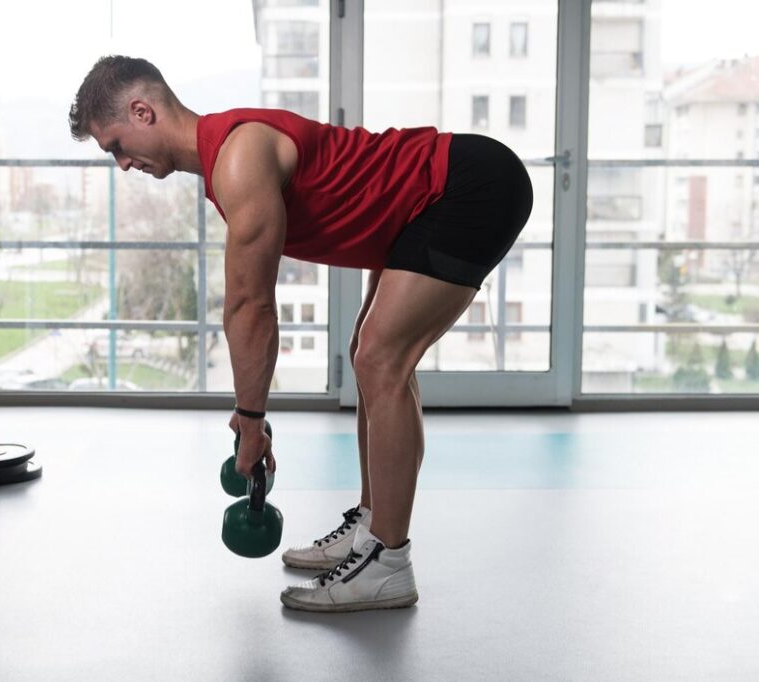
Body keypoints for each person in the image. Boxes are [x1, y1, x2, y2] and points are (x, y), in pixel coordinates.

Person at [69, 55, 533, 613]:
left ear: (142, 111)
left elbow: (251, 305)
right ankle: (372, 528)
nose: (122, 164)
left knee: (381, 360)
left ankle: (387, 562)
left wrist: (251, 421)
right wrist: (249, 417)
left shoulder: (239, 157)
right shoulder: (229, 156)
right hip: (421, 206)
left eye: (116, 146)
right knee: (371, 354)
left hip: (465, 187)